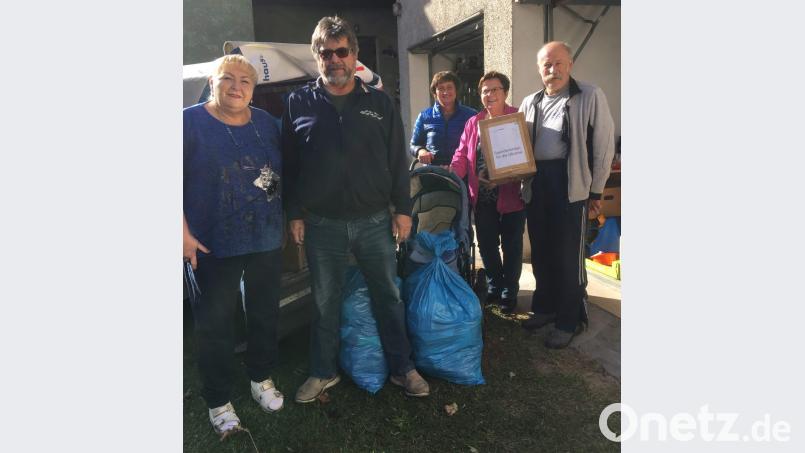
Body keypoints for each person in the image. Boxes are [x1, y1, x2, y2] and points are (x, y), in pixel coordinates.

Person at [282, 16, 430, 403]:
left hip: (374, 222)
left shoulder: (378, 102)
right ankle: (323, 372)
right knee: (324, 302)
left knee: (388, 296)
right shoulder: (298, 102)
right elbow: (289, 164)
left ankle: (402, 368)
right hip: (322, 224)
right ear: (317, 57)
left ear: (355, 55)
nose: (334, 59)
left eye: (341, 51)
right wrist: (294, 212)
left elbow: (398, 161)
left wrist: (403, 211)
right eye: (326, 53)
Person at [183, 54, 286, 437]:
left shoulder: (265, 122)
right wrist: (181, 233)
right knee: (215, 325)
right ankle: (218, 399)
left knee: (263, 315)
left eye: (245, 80)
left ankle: (260, 376)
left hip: (265, 239)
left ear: (253, 89)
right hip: (212, 244)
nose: (236, 86)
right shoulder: (188, 122)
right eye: (228, 78)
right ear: (213, 82)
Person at [518, 41, 615, 348]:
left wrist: (596, 189)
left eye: (559, 63)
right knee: (542, 252)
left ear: (570, 64)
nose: (553, 70)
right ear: (539, 69)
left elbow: (603, 146)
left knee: (568, 257)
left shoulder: (589, 95)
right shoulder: (529, 102)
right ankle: (545, 308)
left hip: (571, 184)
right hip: (538, 183)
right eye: (547, 64)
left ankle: (569, 319)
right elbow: (517, 146)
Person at [450, 71, 526, 313]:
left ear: (505, 93)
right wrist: (451, 174)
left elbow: (526, 158)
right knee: (487, 245)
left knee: (512, 246)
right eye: (485, 91)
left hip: (512, 196)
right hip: (482, 197)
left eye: (494, 90)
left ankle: (509, 292)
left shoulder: (516, 118)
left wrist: (504, 178)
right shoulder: (474, 122)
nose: (489, 94)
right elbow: (462, 154)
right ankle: (494, 285)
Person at [410, 71, 476, 166]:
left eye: (449, 87)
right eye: (441, 88)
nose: (445, 92)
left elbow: (479, 146)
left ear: (456, 90)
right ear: (435, 93)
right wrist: (421, 151)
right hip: (433, 173)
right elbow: (414, 144)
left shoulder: (471, 115)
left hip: (462, 175)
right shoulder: (424, 116)